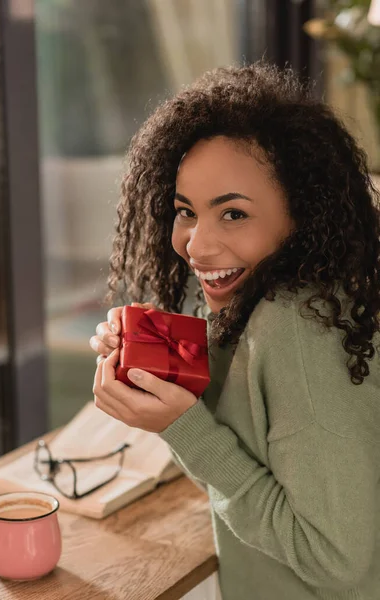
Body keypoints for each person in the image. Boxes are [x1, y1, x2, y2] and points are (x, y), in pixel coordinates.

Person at [89, 62, 380, 600]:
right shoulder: (303, 300)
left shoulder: (294, 327)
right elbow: (244, 480)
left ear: (303, 213)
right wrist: (166, 380)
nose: (196, 245)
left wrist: (183, 426)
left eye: (234, 215)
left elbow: (339, 562)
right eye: (185, 211)